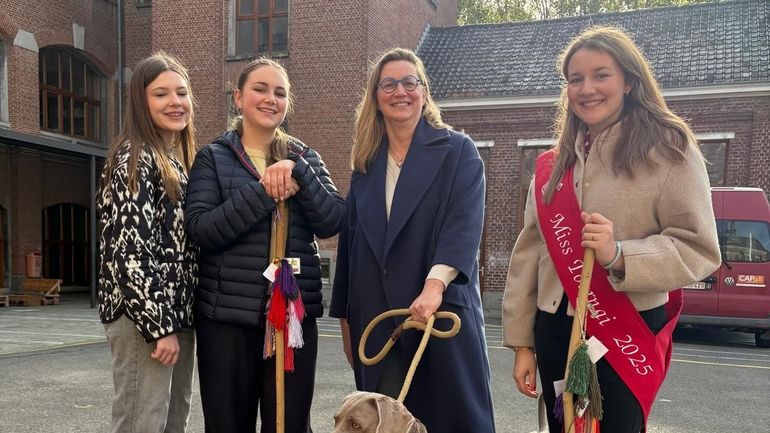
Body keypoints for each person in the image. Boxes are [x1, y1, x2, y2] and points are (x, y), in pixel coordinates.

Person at [502, 26, 721, 433]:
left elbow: (699, 249)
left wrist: (619, 253)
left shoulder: (670, 148)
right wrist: (522, 343)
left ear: (629, 80)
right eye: (575, 79)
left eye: (601, 74)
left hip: (626, 329)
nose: (587, 88)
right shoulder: (554, 165)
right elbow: (529, 254)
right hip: (553, 329)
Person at [329, 48, 496, 433]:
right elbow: (351, 248)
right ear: (376, 96)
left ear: (423, 90)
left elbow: (463, 226)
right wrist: (346, 322)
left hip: (437, 312)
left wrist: (435, 285)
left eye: (409, 82)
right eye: (389, 84)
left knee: (450, 422)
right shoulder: (366, 166)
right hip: (378, 321)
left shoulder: (458, 152)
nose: (399, 91)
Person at [185, 58, 345, 433]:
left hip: (290, 320)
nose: (270, 99)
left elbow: (334, 220)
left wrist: (299, 173)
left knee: (288, 425)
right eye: (260, 89)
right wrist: (262, 193)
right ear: (238, 97)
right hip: (227, 321)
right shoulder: (213, 158)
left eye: (280, 92)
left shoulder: (306, 158)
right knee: (227, 424)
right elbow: (202, 230)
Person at [98, 52, 198, 433]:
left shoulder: (174, 159)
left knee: (172, 421)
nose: (175, 102)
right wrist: (159, 327)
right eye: (161, 94)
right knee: (143, 421)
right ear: (141, 102)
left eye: (182, 92)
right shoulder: (134, 158)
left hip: (175, 316)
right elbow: (129, 251)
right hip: (146, 321)